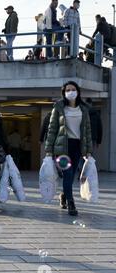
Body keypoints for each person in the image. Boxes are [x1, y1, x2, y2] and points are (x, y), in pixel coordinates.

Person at [45, 81, 93, 216]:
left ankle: (64, 196)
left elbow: (87, 131)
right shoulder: (59, 108)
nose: (70, 92)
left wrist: (88, 149)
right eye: (67, 90)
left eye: (73, 89)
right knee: (68, 174)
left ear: (77, 91)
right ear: (64, 93)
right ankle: (71, 203)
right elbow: (52, 129)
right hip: (62, 148)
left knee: (71, 177)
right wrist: (49, 149)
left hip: (77, 146)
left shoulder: (83, 109)